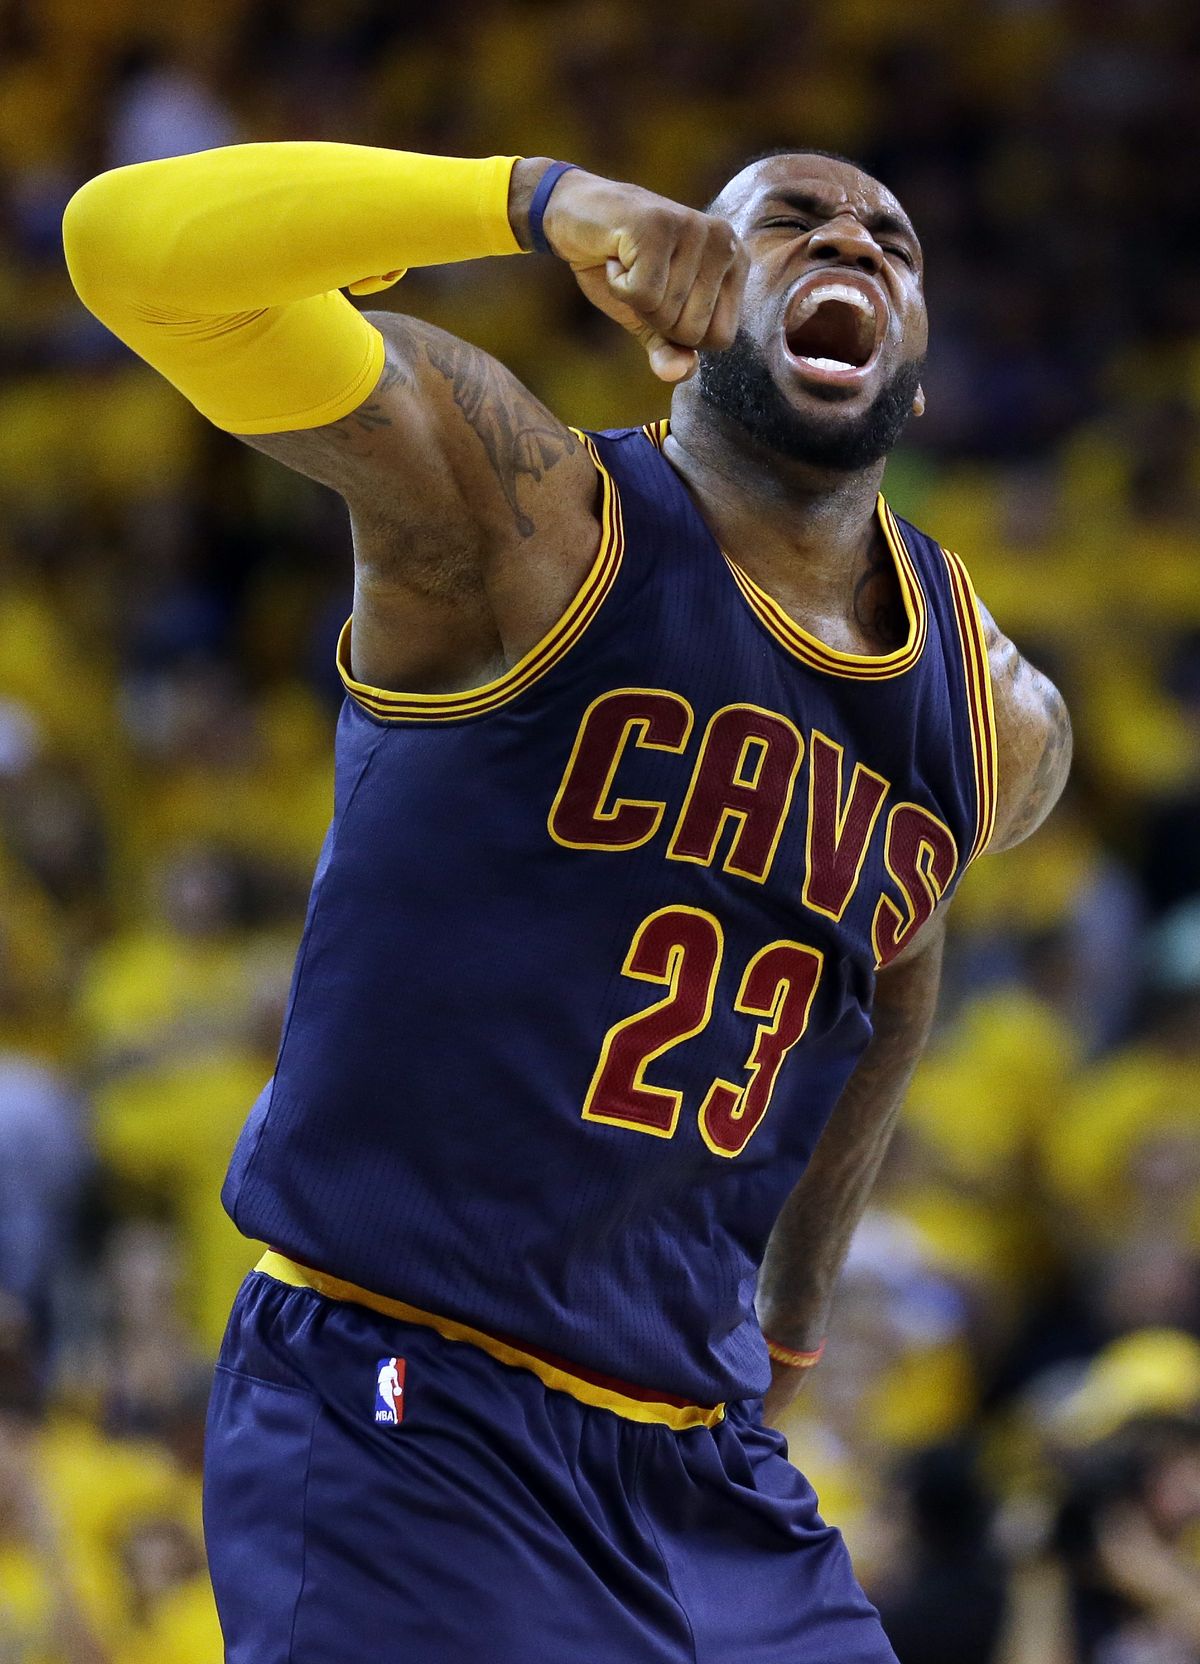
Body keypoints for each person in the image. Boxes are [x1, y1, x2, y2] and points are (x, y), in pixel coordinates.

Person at [62, 142, 1071, 1662]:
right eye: (785, 222)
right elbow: (125, 247)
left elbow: (895, 961)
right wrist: (531, 201)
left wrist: (794, 1308)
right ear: (683, 308)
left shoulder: (997, 716)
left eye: (891, 238)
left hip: (694, 1454)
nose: (847, 239)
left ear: (916, 367)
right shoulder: (521, 520)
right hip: (410, 1404)